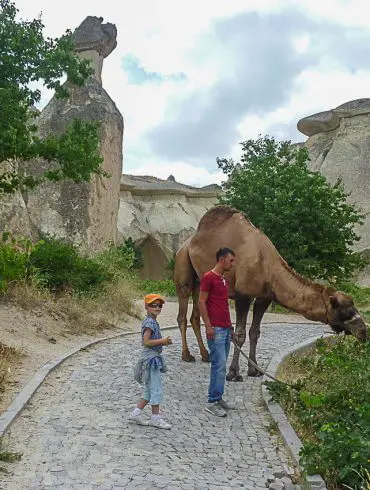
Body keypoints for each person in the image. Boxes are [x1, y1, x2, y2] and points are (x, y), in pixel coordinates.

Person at [199, 247, 236, 417]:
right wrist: (207, 326)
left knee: (222, 365)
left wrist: (230, 326)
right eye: (231, 260)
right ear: (222, 259)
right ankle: (212, 401)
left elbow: (223, 306)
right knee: (218, 364)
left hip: (225, 328)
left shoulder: (223, 279)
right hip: (216, 329)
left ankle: (218, 397)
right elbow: (201, 302)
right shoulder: (209, 278)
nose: (232, 263)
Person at [129, 293, 173, 429]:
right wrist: (163, 341)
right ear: (146, 307)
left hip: (152, 358)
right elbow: (146, 341)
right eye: (153, 305)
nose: (157, 307)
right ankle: (155, 418)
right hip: (151, 360)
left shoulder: (153, 321)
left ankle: (135, 413)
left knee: (148, 390)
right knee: (156, 389)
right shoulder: (149, 323)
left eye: (159, 305)